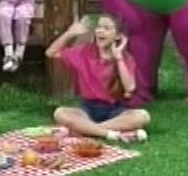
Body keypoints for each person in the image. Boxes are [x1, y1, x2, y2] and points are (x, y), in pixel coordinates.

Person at [45, 14, 150, 142]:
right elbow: (51, 52)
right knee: (60, 113)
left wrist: (118, 57)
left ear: (118, 36)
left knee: (142, 116)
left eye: (106, 28)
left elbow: (130, 87)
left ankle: (87, 130)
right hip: (88, 109)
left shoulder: (125, 58)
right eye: (99, 27)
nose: (100, 31)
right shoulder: (84, 52)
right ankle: (111, 134)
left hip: (114, 110)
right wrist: (69, 33)